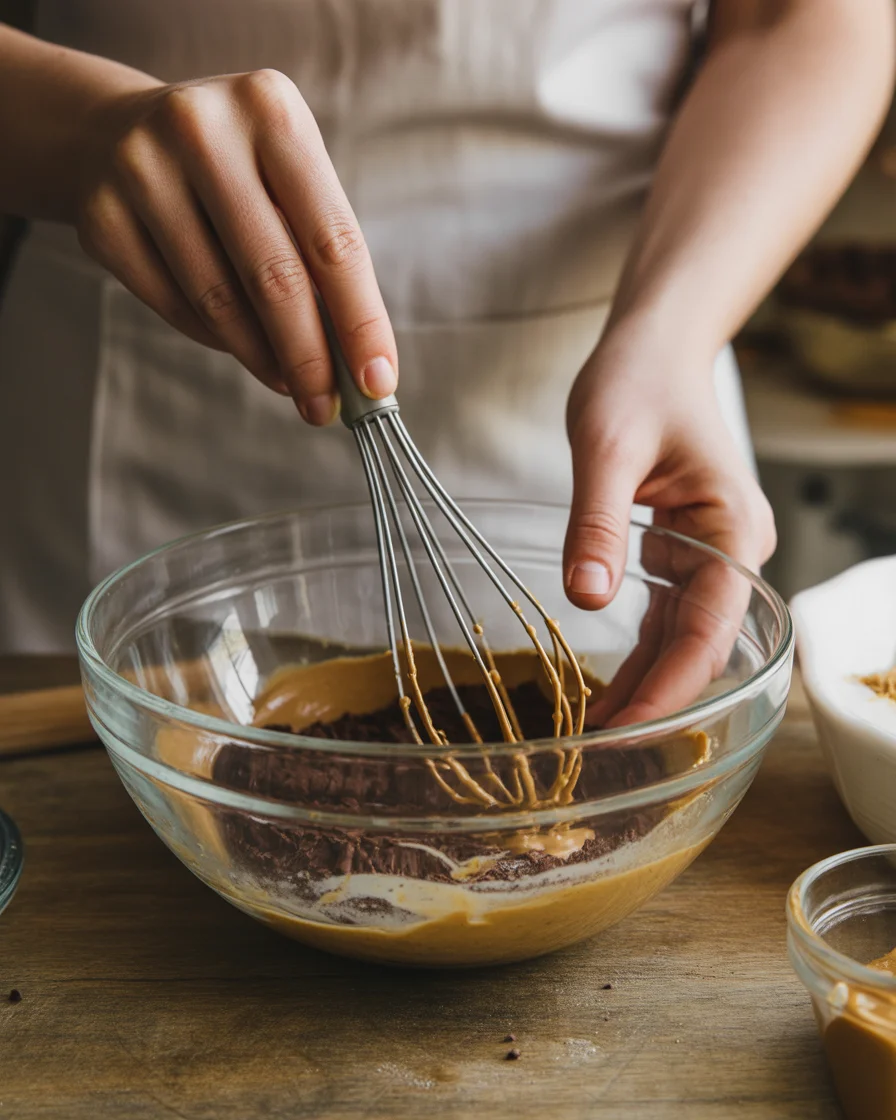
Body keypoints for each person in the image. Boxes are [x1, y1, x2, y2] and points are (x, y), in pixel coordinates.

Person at [0, 1, 892, 724]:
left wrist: (674, 331)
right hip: (138, 379)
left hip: (610, 373)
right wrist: (78, 132)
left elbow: (801, 18)